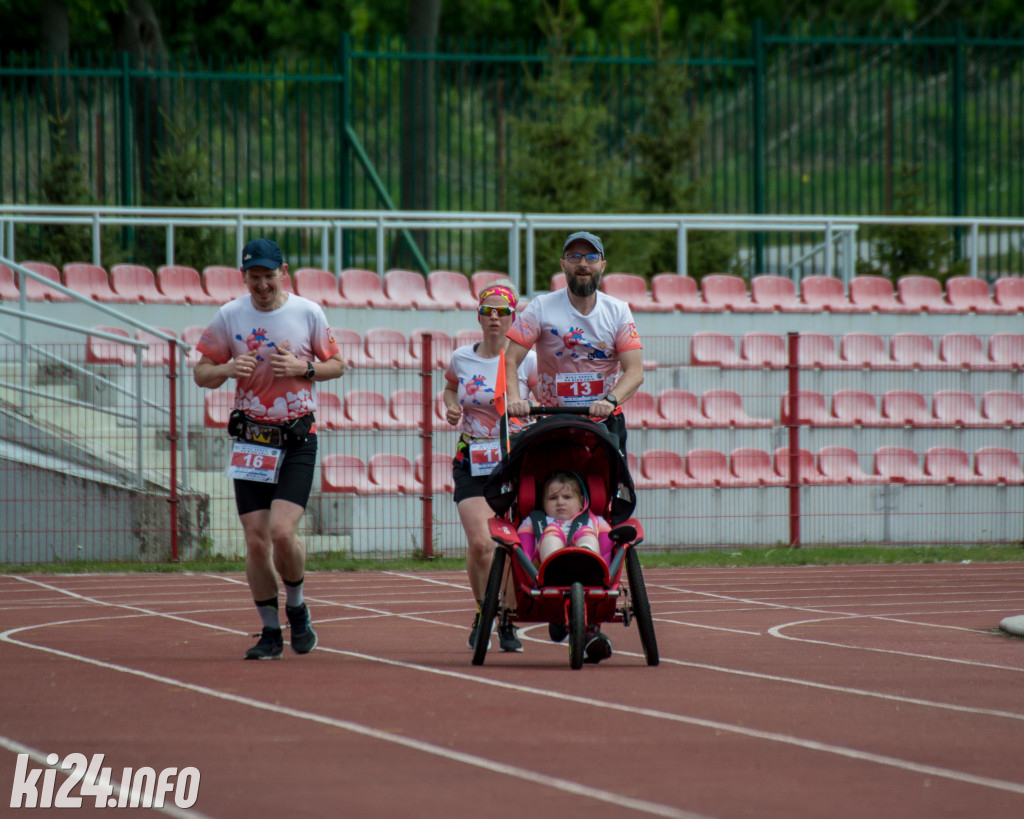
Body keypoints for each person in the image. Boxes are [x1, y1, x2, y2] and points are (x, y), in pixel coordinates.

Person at [193, 238, 345, 660]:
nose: (262, 285)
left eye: (268, 275)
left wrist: (304, 368)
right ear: (245, 277)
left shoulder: (307, 312)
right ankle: (269, 632)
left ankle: (296, 608)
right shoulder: (230, 316)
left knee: (282, 532)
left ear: (284, 272)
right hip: (251, 440)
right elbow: (200, 372)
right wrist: (225, 369)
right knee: (256, 540)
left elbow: (337, 364)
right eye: (254, 277)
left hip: (296, 437)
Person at [504, 230, 645, 662]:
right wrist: (515, 402)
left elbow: (634, 370)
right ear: (564, 265)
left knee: (599, 507)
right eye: (573, 256)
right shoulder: (542, 308)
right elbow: (510, 359)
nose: (582, 263)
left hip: (601, 423)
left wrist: (611, 400)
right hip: (550, 421)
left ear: (602, 265)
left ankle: (591, 617)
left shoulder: (618, 311)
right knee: (545, 501)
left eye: (590, 257)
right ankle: (551, 583)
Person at [443, 279, 538, 653]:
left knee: (512, 544)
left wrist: (524, 413)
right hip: (473, 458)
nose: (495, 318)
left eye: (502, 313)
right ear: (479, 316)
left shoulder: (525, 359)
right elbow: (451, 388)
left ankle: (510, 619)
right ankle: (486, 612)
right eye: (488, 312)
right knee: (482, 543)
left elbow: (542, 397)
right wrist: (451, 406)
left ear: (513, 317)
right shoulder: (462, 357)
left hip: (514, 460)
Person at [518, 470, 611, 566]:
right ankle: (555, 566)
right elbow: (525, 554)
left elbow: (606, 553)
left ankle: (586, 562)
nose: (560, 503)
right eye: (553, 498)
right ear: (543, 502)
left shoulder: (596, 521)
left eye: (567, 497)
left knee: (585, 532)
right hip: (542, 572)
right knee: (552, 532)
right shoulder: (534, 521)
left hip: (587, 572)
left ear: (581, 501)